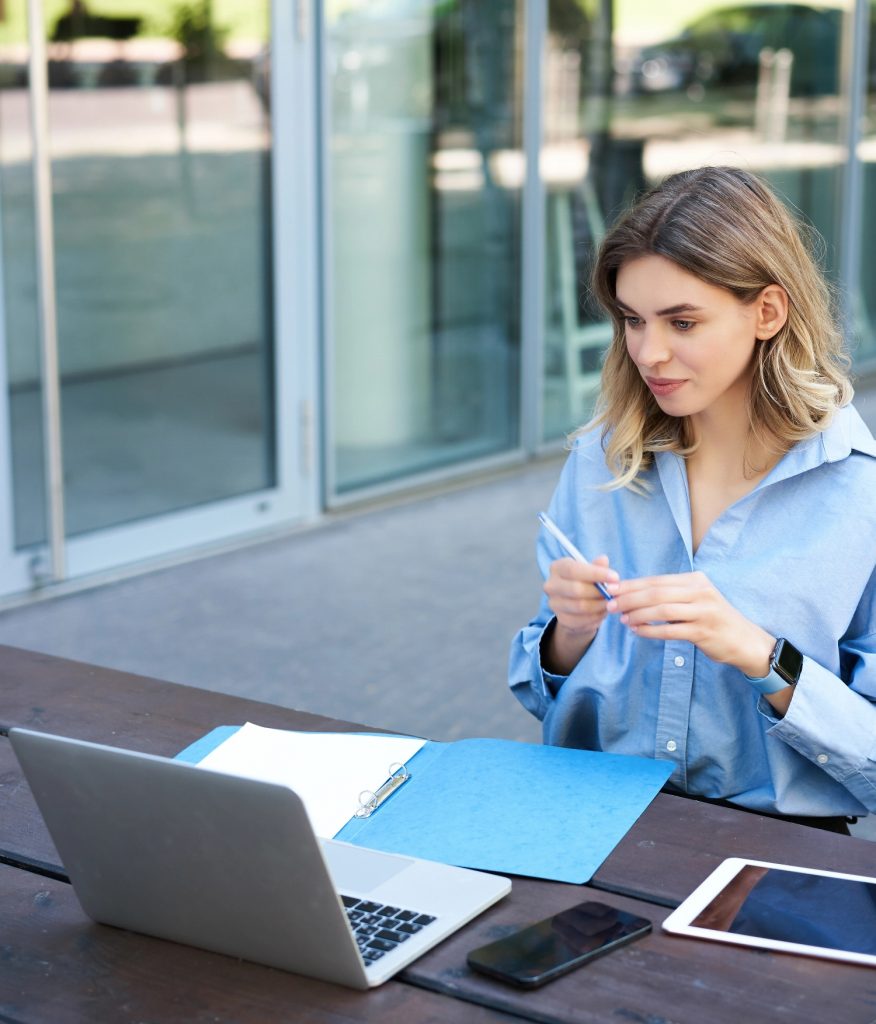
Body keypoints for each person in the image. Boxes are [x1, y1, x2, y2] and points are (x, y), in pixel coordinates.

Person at [509, 165, 876, 832]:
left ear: (767, 311)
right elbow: (542, 693)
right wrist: (569, 634)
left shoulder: (860, 495)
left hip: (774, 855)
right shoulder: (600, 459)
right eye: (632, 320)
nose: (649, 353)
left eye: (682, 322)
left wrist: (759, 654)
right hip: (588, 824)